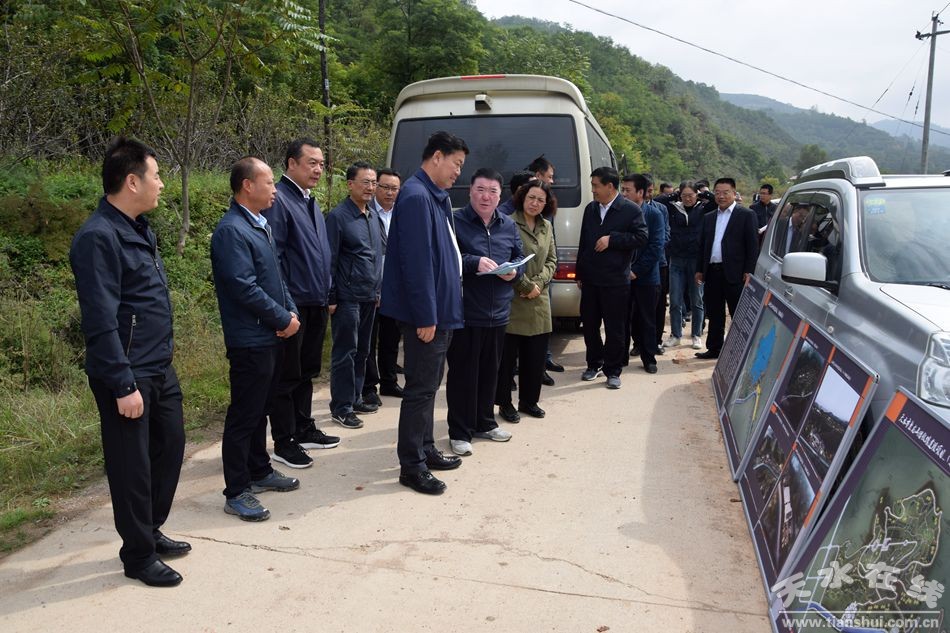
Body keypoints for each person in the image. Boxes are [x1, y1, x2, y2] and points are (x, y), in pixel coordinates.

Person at [70, 137, 187, 587]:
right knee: (131, 468)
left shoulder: (139, 228)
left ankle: (149, 530)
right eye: (156, 176)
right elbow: (100, 320)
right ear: (132, 181)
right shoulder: (98, 237)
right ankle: (138, 556)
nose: (161, 184)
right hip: (126, 373)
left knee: (169, 448)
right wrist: (122, 384)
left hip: (158, 365)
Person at [211, 157, 301, 522]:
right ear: (247, 186)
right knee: (244, 415)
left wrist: (290, 312)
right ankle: (236, 490)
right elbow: (243, 287)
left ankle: (259, 470)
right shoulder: (232, 231)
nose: (275, 189)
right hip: (250, 339)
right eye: (269, 182)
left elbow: (275, 278)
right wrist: (282, 318)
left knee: (261, 408)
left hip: (270, 334)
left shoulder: (259, 224)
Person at [379, 131, 468, 495]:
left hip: (440, 309)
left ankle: (426, 447)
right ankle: (412, 466)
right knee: (419, 389)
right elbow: (417, 264)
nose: (458, 172)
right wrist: (426, 316)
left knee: (430, 386)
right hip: (428, 315)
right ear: (437, 157)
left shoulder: (434, 196)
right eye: (456, 164)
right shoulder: (417, 196)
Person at [262, 138, 339, 471]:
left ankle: (304, 428)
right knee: (287, 375)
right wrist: (285, 306)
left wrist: (329, 293)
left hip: (316, 300)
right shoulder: (279, 200)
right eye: (312, 163)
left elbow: (322, 255)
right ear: (291, 163)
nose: (318, 169)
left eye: (321, 164)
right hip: (295, 304)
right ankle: (284, 440)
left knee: (307, 371)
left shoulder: (309, 201)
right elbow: (274, 258)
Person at [444, 168, 522, 456]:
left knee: (491, 372)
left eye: (492, 191)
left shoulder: (508, 225)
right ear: (470, 191)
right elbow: (447, 257)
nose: (486, 196)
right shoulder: (455, 221)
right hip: (465, 312)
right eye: (480, 189)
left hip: (498, 312)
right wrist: (473, 261)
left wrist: (514, 272)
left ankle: (485, 422)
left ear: (500, 196)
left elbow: (519, 256)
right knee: (463, 374)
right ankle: (459, 431)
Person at [576, 166, 649, 389]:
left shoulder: (630, 210)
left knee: (615, 328)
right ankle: (594, 364)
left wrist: (612, 239)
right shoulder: (591, 209)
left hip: (615, 281)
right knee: (589, 325)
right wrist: (579, 272)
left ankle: (613, 370)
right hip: (591, 279)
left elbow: (641, 237)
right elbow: (584, 242)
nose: (593, 190)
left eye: (595, 185)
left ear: (609, 186)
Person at [326, 161, 384, 429]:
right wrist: (331, 296)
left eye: (373, 182)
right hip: (347, 296)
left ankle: (356, 397)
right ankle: (341, 407)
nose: (370, 187)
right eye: (365, 182)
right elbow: (330, 259)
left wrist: (378, 289)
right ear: (350, 184)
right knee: (345, 352)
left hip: (369, 295)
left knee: (363, 350)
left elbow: (376, 257)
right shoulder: (338, 217)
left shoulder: (372, 215)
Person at [495, 180, 558, 422]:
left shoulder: (546, 226)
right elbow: (503, 260)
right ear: (522, 197)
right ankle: (505, 404)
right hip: (513, 298)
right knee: (506, 360)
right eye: (531, 197)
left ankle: (529, 401)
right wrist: (525, 285)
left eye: (540, 200)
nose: (535, 203)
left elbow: (552, 260)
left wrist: (538, 284)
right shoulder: (507, 222)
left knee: (535, 357)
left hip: (539, 300)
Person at [694, 177, 759, 359]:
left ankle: (740, 351)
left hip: (735, 273)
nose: (721, 196)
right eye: (717, 193)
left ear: (734, 193)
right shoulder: (709, 217)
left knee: (738, 313)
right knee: (715, 313)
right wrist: (699, 269)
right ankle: (714, 348)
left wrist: (749, 271)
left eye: (725, 193)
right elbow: (703, 245)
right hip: (712, 271)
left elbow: (753, 246)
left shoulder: (746, 215)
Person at [362, 168, 404, 400]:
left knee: (391, 338)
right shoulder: (365, 212)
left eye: (394, 188)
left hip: (395, 287)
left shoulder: (403, 213)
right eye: (385, 187)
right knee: (369, 339)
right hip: (370, 286)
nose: (389, 193)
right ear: (376, 187)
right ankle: (369, 386)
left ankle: (389, 381)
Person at [658, 181, 710, 350]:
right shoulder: (673, 207)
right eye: (684, 195)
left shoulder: (703, 208)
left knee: (697, 299)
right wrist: (674, 195)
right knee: (675, 299)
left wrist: (704, 193)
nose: (687, 199)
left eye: (691, 195)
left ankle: (696, 335)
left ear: (696, 195)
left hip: (696, 260)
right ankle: (676, 335)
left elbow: (716, 202)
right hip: (676, 259)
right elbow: (659, 200)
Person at [621, 174, 663, 374]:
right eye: (622, 189)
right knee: (622, 319)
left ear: (640, 192)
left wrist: (636, 271)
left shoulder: (654, 215)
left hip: (647, 277)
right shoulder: (620, 212)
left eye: (627, 190)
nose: (623, 194)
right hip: (622, 275)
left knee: (647, 319)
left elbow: (656, 246)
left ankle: (649, 358)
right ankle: (620, 357)